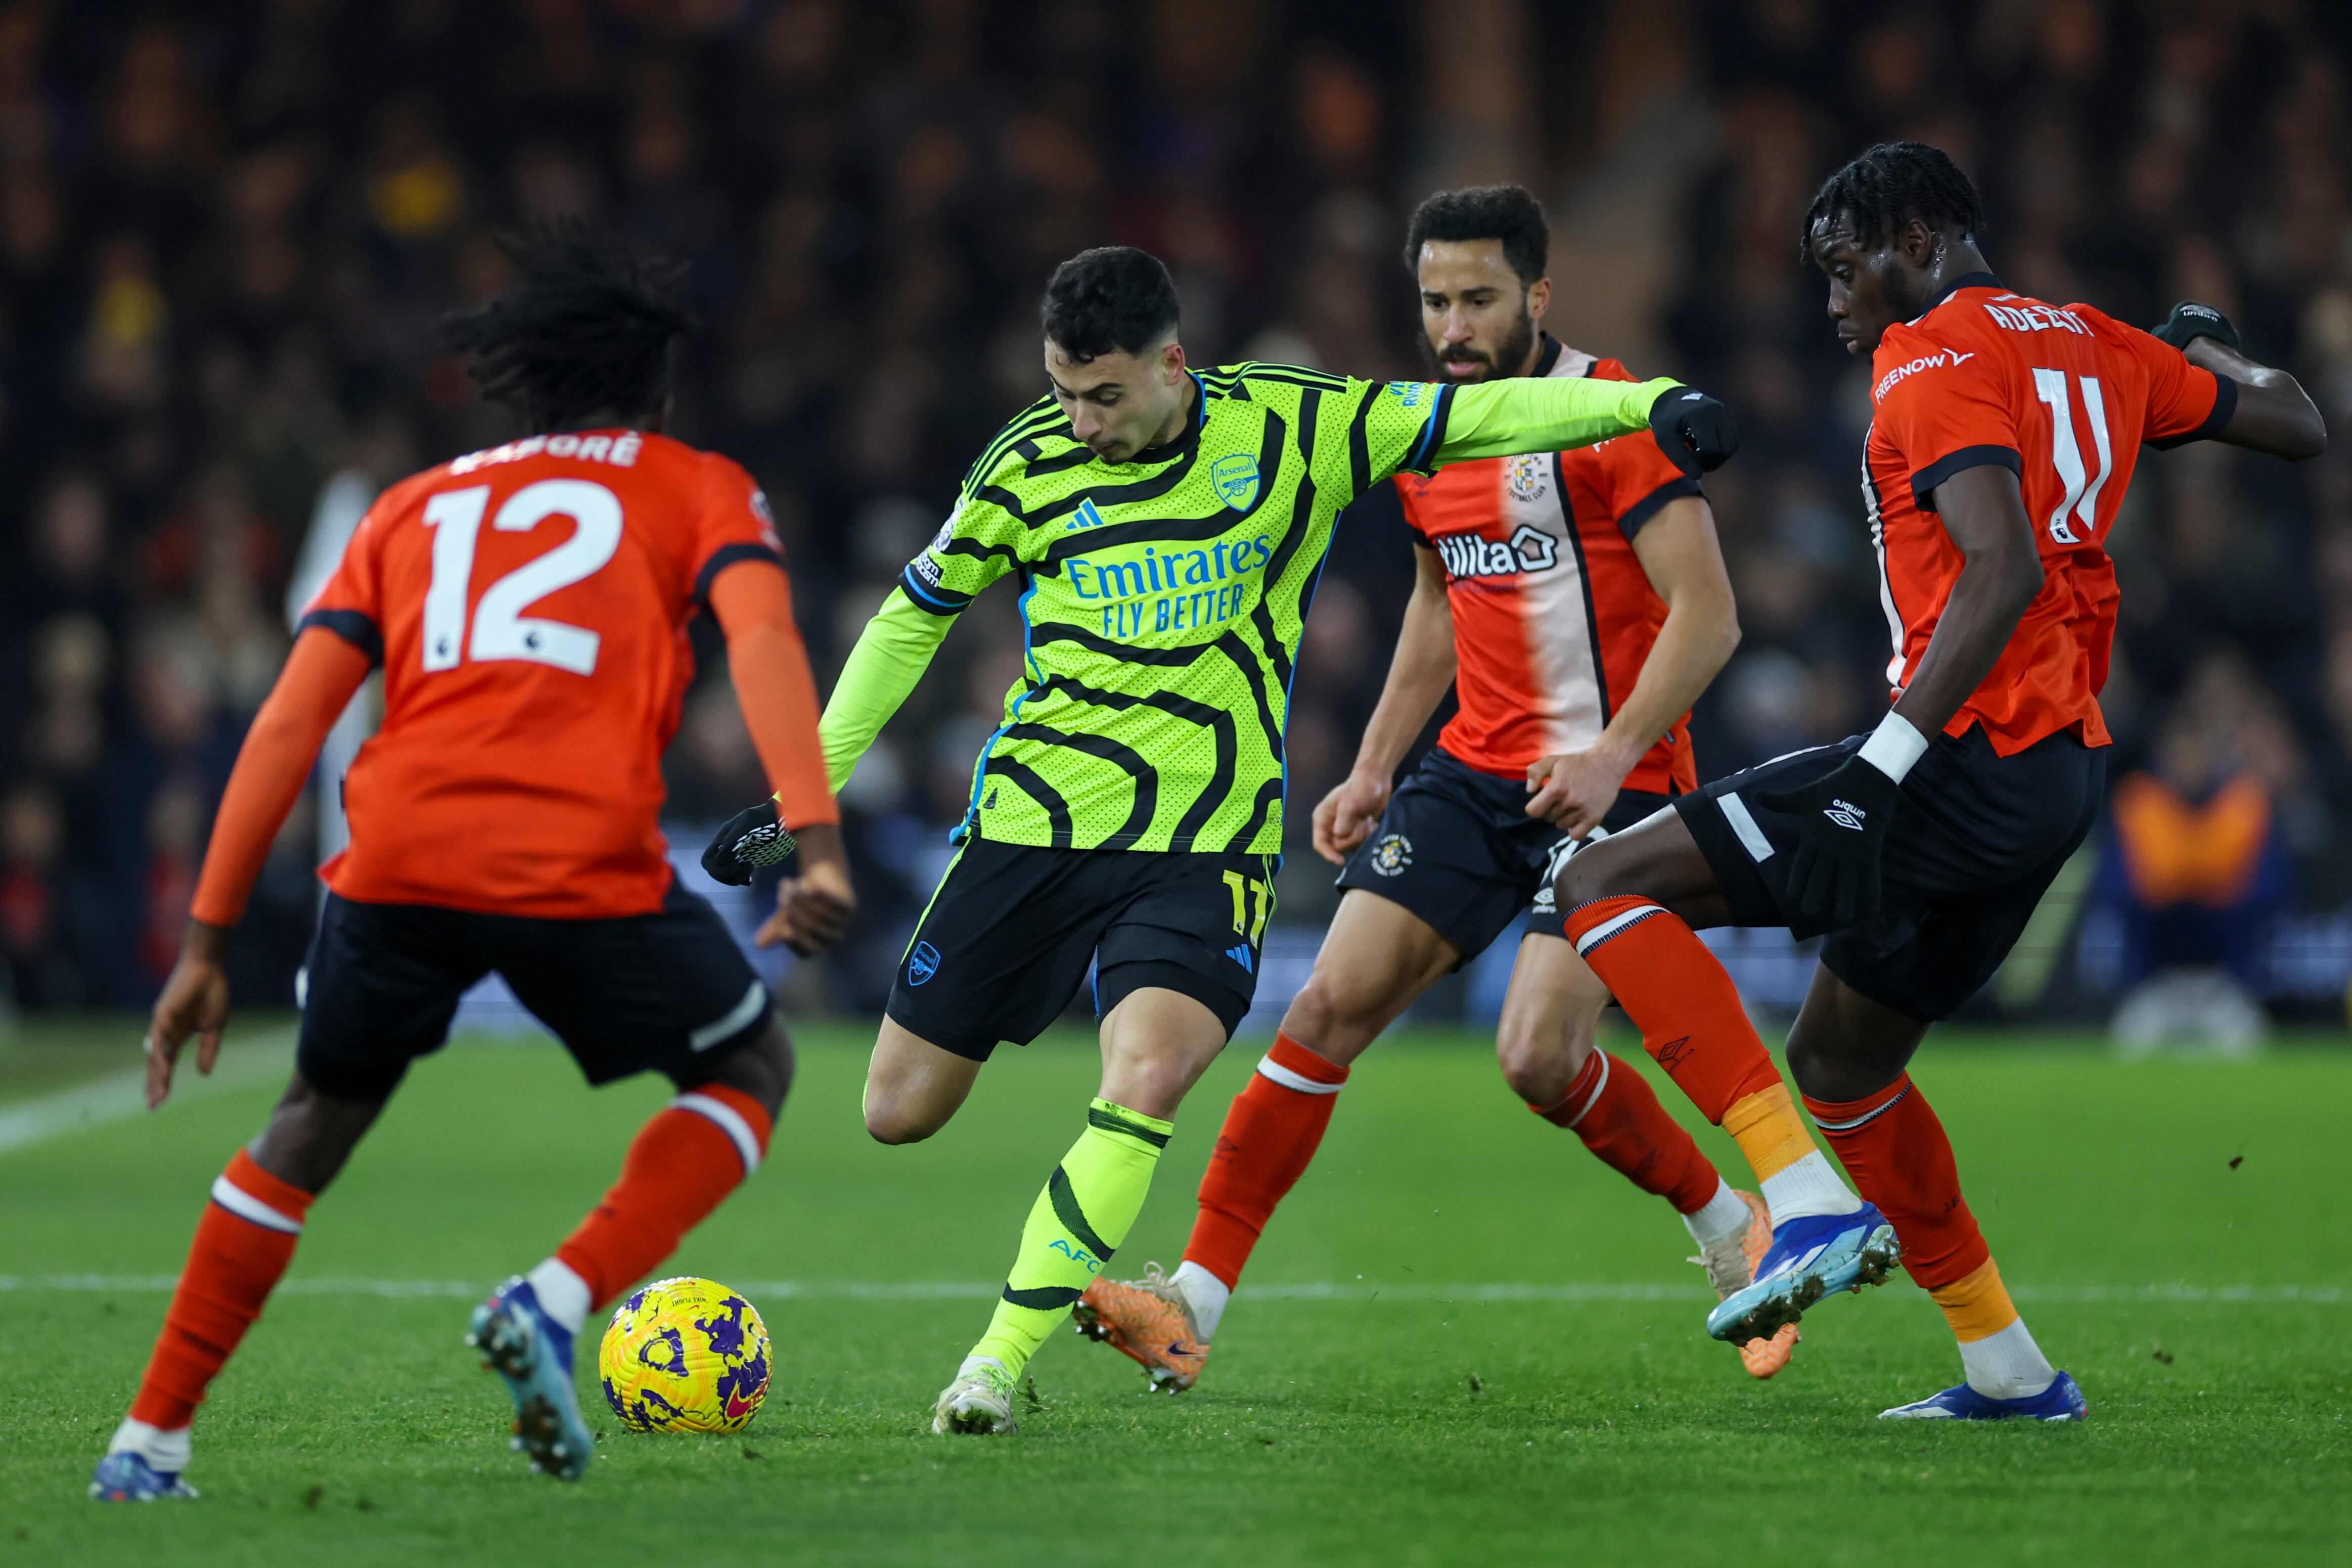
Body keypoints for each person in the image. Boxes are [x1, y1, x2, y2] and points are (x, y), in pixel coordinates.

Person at [709, 244, 1739, 1436]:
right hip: (1031, 828)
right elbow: (908, 620)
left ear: (1171, 363)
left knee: (1145, 1074)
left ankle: (991, 1366)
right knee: (897, 1108)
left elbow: (1486, 411)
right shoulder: (1024, 463)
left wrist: (1644, 404)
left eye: (1105, 394)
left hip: (1205, 849)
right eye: (1062, 392)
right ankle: (1038, 1294)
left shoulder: (1291, 427)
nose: (1081, 421)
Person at [1547, 143, 2324, 1420]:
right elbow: (2294, 419)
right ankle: (2007, 1373)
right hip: (2056, 776)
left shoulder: (1935, 355)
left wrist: (1881, 771)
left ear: (1913, 238)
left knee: (1601, 879)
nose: (1834, 302)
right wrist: (2205, 351)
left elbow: (2000, 565)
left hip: (1959, 760)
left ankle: (1795, 1208)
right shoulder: (2094, 341)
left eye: (1844, 268)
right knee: (1843, 1064)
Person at [91, 228, 855, 1501]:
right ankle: (553, 1305)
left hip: (395, 855)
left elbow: (288, 719)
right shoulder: (695, 483)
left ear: (522, 387)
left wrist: (208, 943)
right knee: (749, 1064)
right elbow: (764, 643)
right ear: (656, 397)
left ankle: (147, 1442)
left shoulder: (409, 506)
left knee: (311, 1122)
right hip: (576, 856)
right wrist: (814, 844)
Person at [1069, 186, 1817, 1391]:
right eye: (1433, 302)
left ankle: (1731, 1224)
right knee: (1321, 1011)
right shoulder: (1429, 435)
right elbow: (1436, 599)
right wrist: (1373, 766)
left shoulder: (1609, 415)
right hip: (1470, 776)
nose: (1454, 327)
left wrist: (1614, 753)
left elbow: (1710, 616)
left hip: (1614, 791)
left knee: (1533, 1058)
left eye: (1478, 299)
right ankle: (1190, 1302)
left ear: (1538, 293)